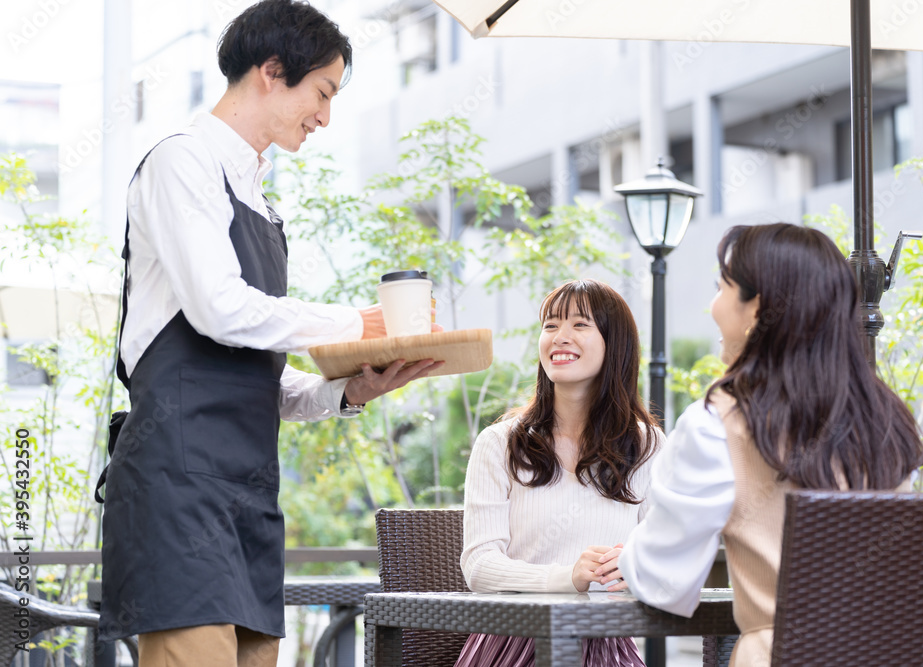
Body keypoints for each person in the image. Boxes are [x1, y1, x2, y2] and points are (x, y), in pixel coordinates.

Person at [96, 2, 441, 665]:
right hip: (177, 490)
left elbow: (254, 375)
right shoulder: (182, 164)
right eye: (322, 92)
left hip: (249, 498)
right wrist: (359, 322)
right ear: (272, 70)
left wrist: (347, 389)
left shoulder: (261, 204)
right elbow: (221, 311)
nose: (325, 116)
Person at [595, 223, 923, 666]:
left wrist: (631, 556)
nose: (712, 306)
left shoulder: (720, 421)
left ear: (758, 309)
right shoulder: (883, 418)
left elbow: (663, 582)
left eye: (722, 288)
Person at [456, 279, 663, 667]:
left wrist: (635, 566)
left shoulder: (648, 445)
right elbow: (479, 566)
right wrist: (568, 577)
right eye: (550, 325)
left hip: (608, 646)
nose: (560, 337)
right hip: (511, 644)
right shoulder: (499, 443)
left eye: (580, 325)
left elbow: (666, 558)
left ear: (614, 343)